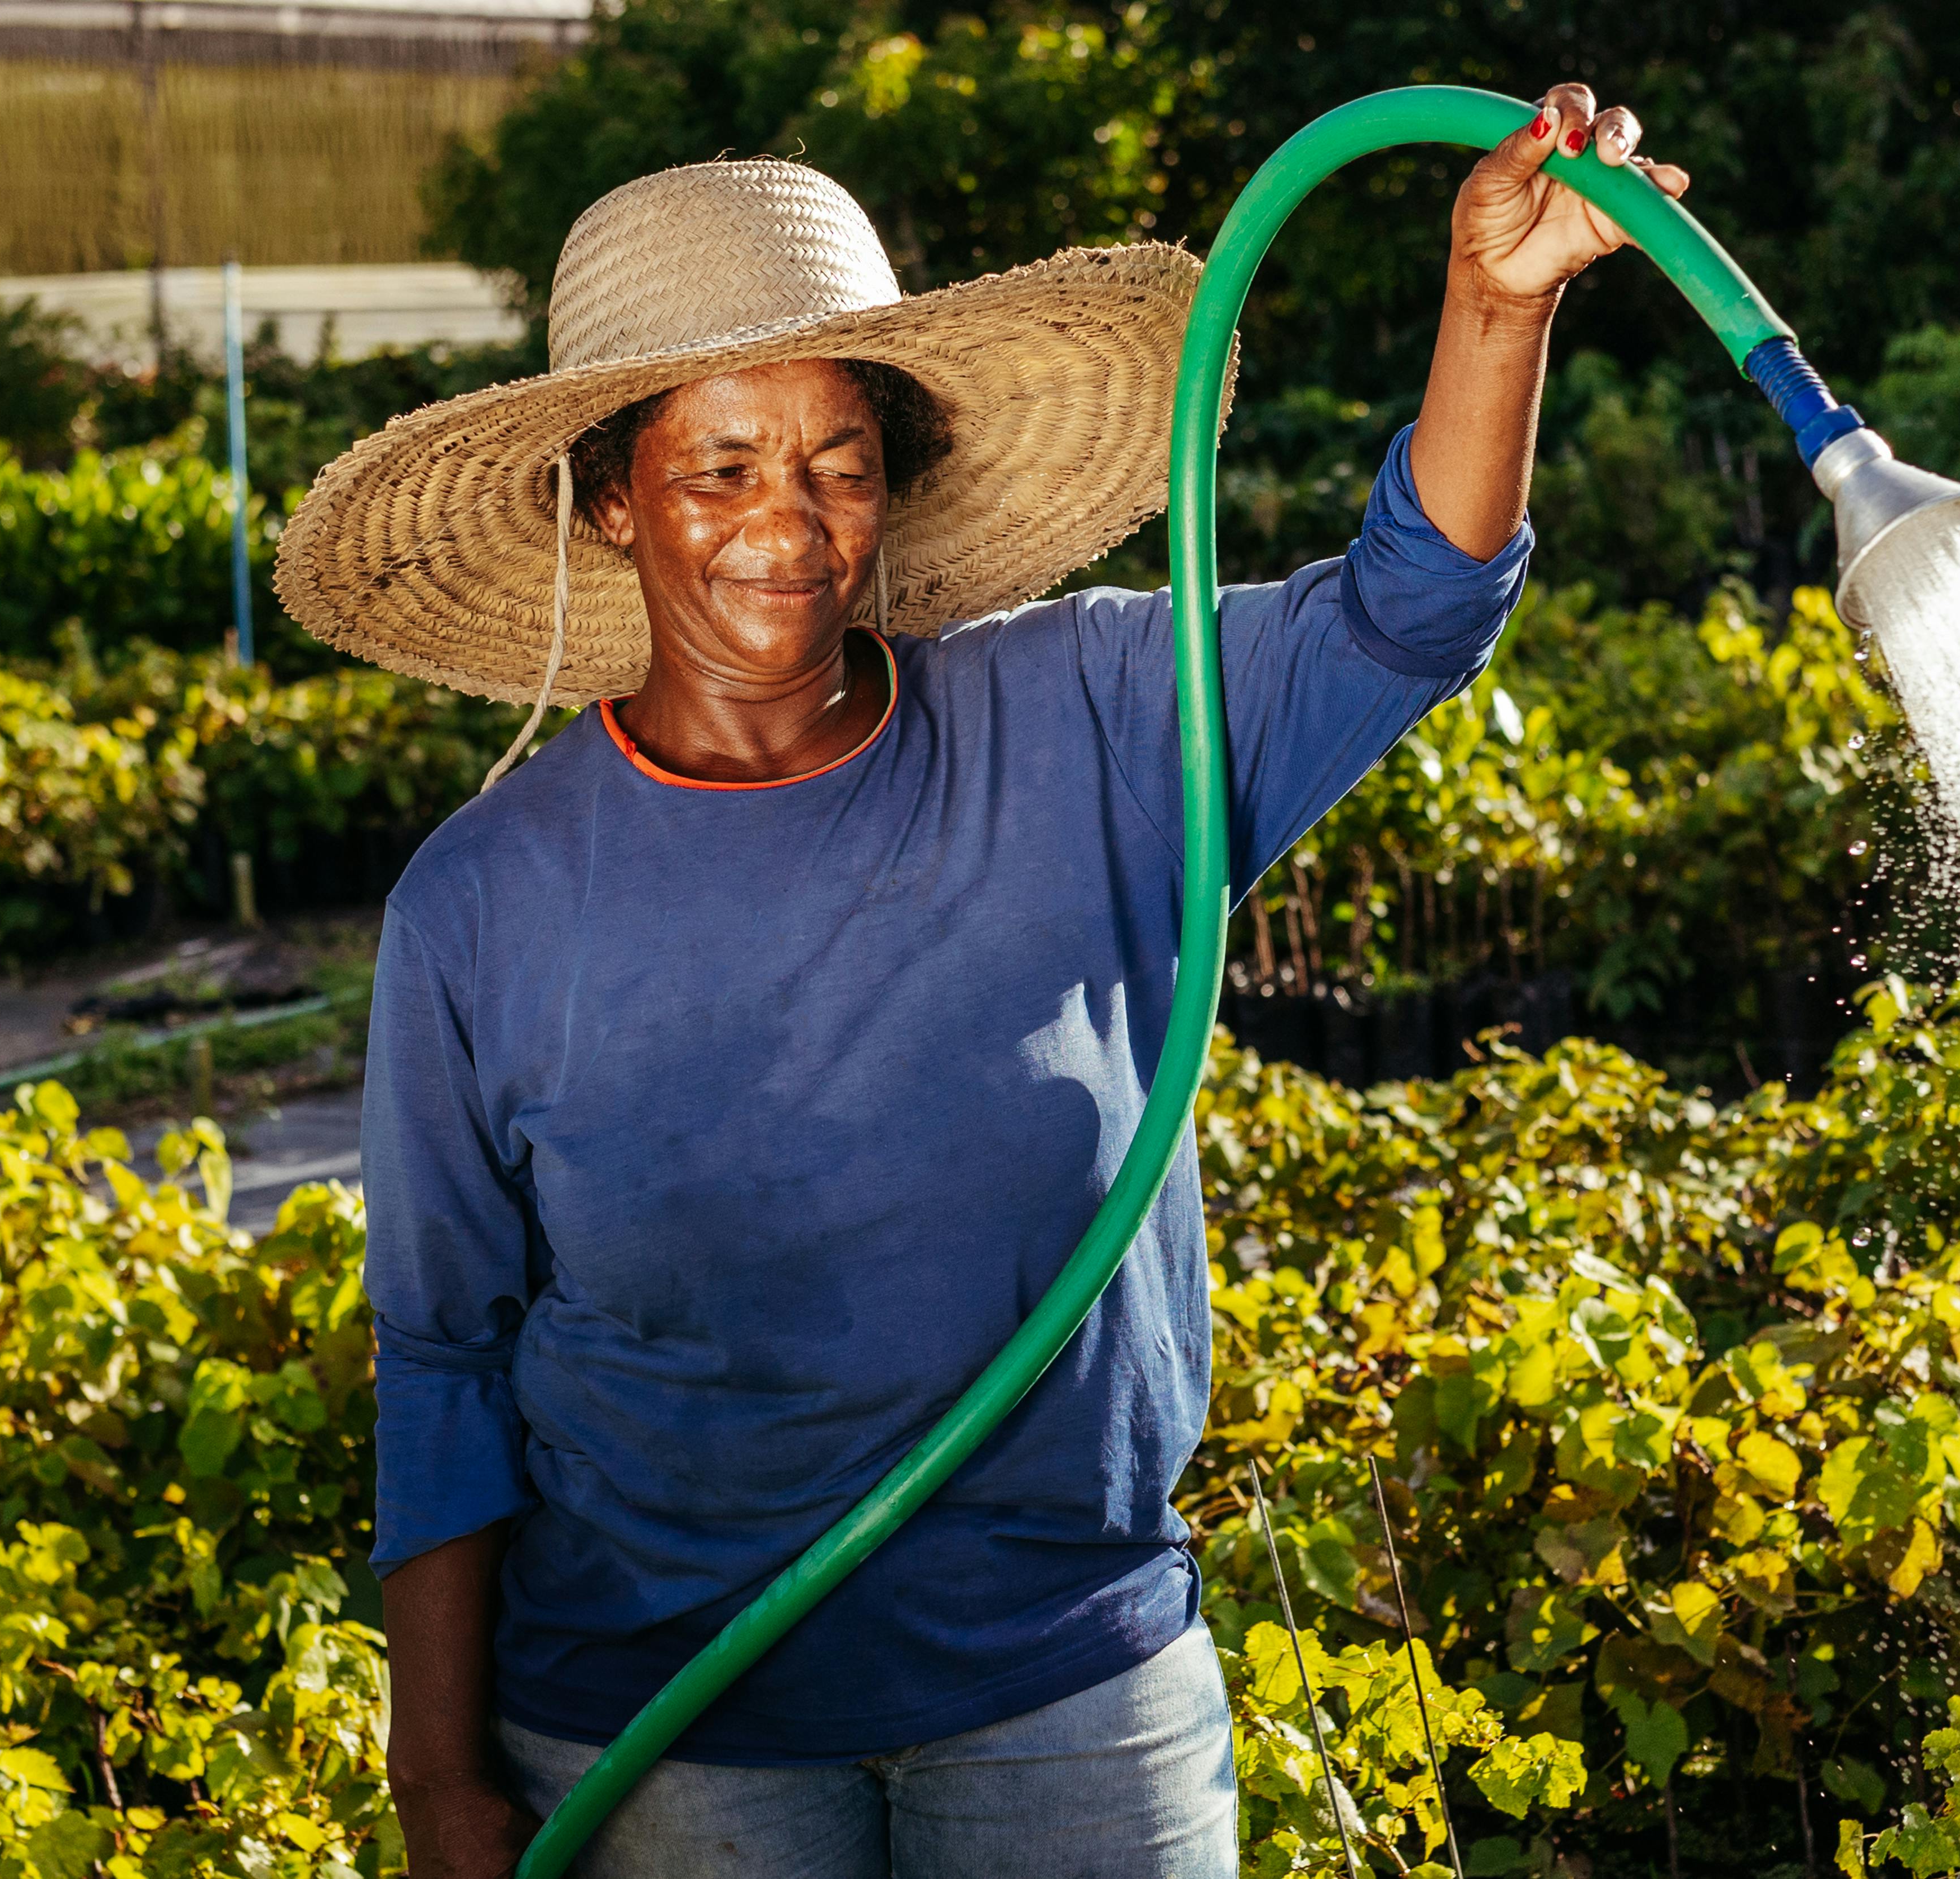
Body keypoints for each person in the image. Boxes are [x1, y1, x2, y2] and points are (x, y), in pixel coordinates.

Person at [274, 81, 1688, 1879]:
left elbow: (1405, 611)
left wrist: (1501, 304)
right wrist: (441, 1780)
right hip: (659, 1733)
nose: (782, 522)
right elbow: (446, 1357)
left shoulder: (1093, 720)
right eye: (716, 466)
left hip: (1070, 1703)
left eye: (835, 463)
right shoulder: (481, 904)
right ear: (610, 504)